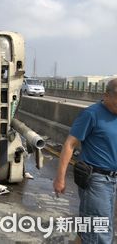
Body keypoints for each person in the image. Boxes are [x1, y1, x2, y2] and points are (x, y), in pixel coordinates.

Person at [53, 78, 117, 243]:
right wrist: (60, 179)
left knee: (95, 227)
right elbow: (70, 144)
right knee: (99, 233)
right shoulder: (92, 114)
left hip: (113, 180)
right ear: (106, 95)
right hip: (96, 180)